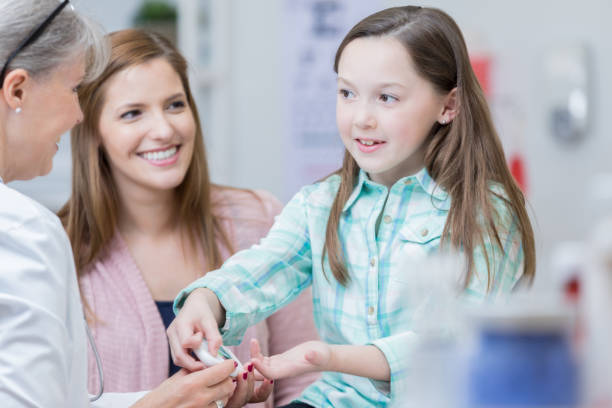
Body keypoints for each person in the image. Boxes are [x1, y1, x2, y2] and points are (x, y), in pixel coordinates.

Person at [167, 5, 536, 408]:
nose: (361, 118)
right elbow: (263, 267)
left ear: (448, 106)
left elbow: (460, 341)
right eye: (347, 93)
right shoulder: (321, 203)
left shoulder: (485, 209)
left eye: (387, 97)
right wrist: (206, 300)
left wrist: (332, 357)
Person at [57, 28, 319, 408]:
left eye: (175, 105)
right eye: (132, 113)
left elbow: (307, 380)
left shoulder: (259, 219)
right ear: (92, 131)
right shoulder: (58, 251)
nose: (164, 129)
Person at [0, 1, 237, 407]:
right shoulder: (25, 232)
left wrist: (168, 397)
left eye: (176, 104)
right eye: (74, 89)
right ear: (17, 89)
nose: (79, 115)